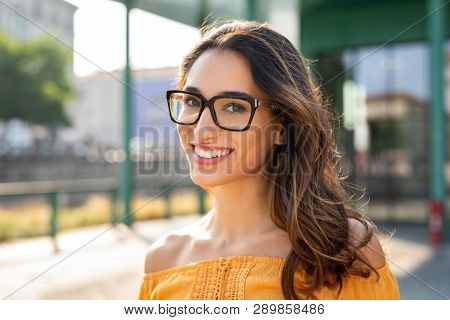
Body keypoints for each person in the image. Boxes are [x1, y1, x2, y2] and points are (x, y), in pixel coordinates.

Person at [138, 19, 401, 300]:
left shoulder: (345, 252)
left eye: (233, 107)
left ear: (279, 128)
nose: (201, 128)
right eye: (191, 101)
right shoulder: (162, 261)